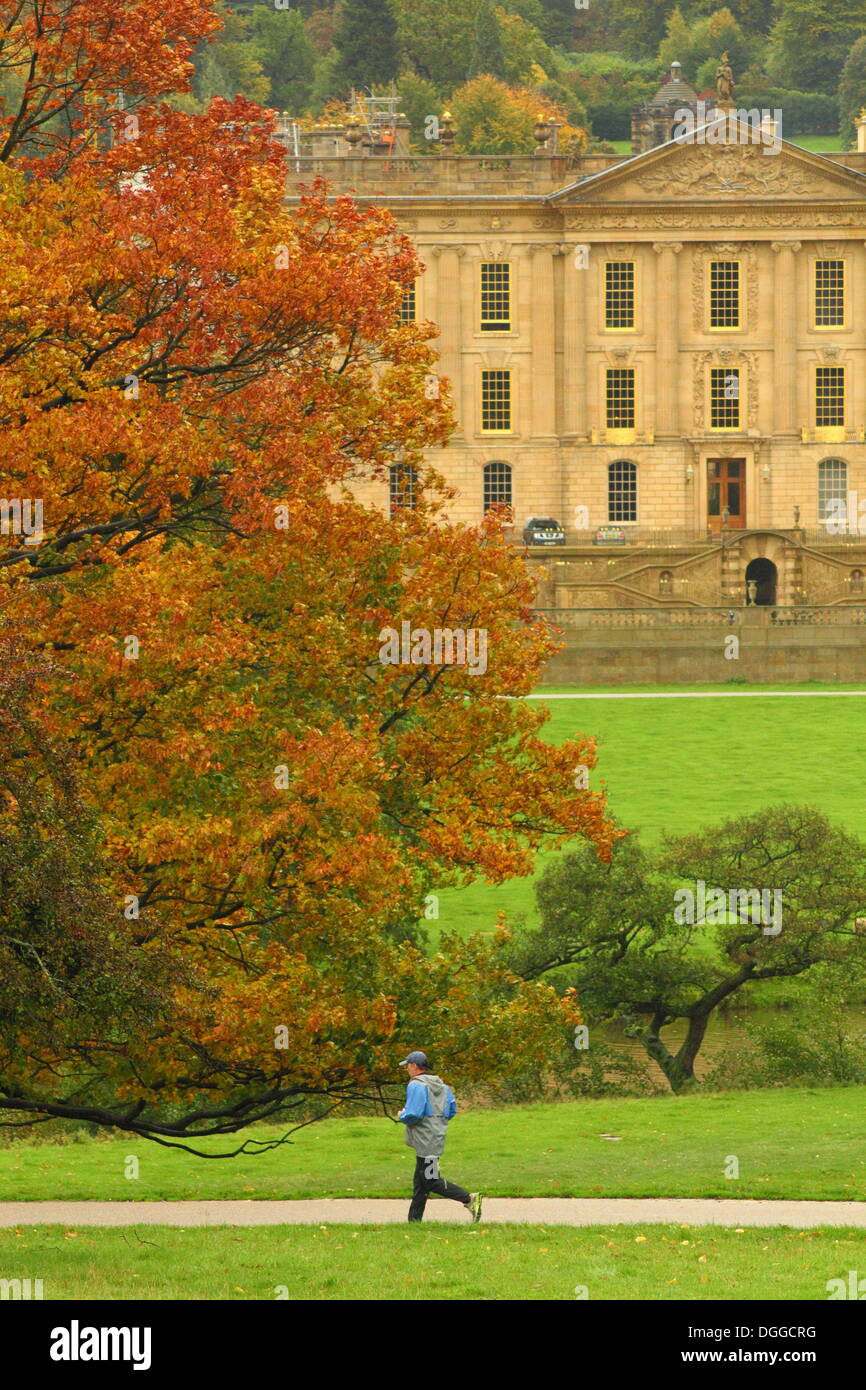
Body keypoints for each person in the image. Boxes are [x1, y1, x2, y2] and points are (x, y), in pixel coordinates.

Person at [396, 1051, 483, 1224]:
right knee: (421, 1182)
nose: (406, 1069)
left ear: (414, 1066)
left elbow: (414, 1114)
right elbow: (451, 1111)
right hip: (436, 1136)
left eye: (407, 1066)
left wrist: (402, 1115)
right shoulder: (443, 1086)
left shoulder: (415, 1085)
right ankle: (414, 1222)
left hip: (424, 1140)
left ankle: (469, 1199)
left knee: (430, 1180)